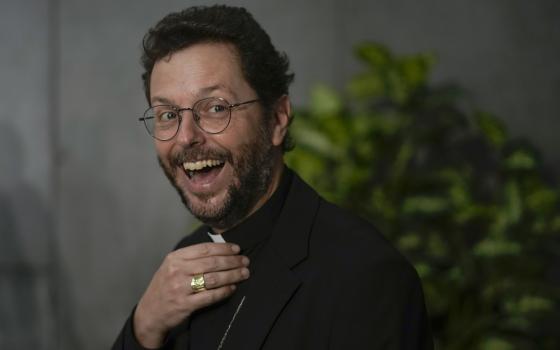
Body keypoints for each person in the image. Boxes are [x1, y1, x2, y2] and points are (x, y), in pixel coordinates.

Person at [113, 5, 433, 350]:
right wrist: (144, 326)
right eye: (167, 114)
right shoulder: (187, 261)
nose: (185, 136)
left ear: (278, 119)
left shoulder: (367, 276)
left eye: (216, 107)